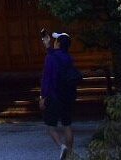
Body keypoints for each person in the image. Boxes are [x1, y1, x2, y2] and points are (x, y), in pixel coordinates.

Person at [40, 30, 79, 159]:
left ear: (58, 43)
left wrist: (43, 96)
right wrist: (47, 45)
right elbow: (56, 55)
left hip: (54, 96)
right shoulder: (69, 57)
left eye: (56, 40)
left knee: (51, 126)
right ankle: (71, 153)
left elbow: (47, 78)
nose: (54, 41)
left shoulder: (50, 58)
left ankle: (61, 146)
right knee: (67, 125)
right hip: (67, 95)